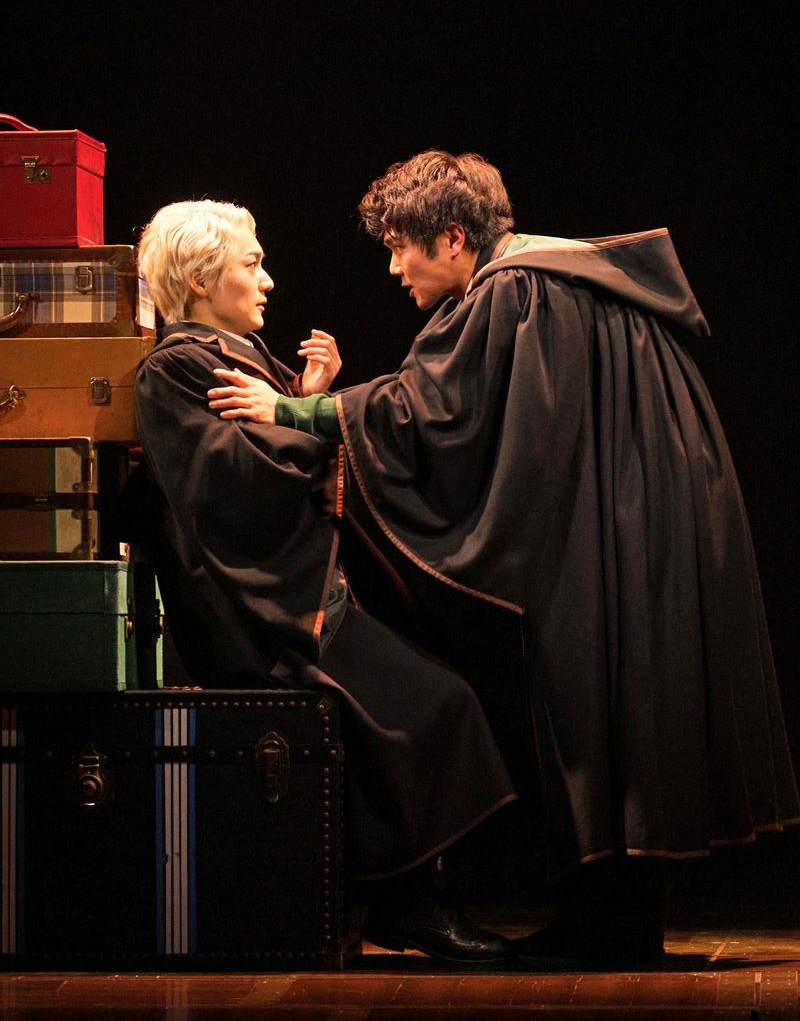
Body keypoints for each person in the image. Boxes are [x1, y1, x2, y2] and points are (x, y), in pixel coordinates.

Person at [208, 152, 800, 964]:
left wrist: (294, 411)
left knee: (595, 693)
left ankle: (608, 927)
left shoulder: (516, 289)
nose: (395, 270)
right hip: (644, 502)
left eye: (401, 248)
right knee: (627, 695)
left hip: (615, 513)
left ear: (453, 237)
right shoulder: (562, 278)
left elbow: (432, 411)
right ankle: (615, 922)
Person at [128, 198, 519, 964]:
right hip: (258, 615)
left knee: (446, 699)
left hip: (309, 598)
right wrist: (309, 416)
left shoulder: (240, 357)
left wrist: (306, 400)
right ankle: (408, 904)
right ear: (201, 280)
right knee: (425, 709)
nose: (268, 281)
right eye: (251, 264)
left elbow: (284, 438)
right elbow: (232, 482)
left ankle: (406, 897)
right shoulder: (176, 369)